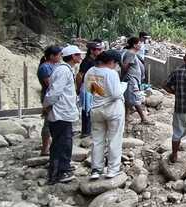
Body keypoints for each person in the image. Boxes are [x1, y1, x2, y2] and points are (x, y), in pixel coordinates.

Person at [43, 45, 85, 184]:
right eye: (78, 54)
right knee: (62, 143)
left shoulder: (65, 70)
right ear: (72, 56)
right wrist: (47, 106)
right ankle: (58, 173)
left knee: (64, 142)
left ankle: (63, 167)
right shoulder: (63, 71)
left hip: (63, 112)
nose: (80, 57)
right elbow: (54, 92)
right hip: (60, 113)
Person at [83, 50, 126, 179]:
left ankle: (96, 169)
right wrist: (123, 87)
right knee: (114, 139)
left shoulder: (90, 71)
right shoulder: (111, 73)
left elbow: (90, 89)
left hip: (96, 109)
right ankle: (113, 169)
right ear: (112, 61)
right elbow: (115, 94)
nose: (116, 66)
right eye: (116, 63)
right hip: (113, 110)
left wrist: (103, 94)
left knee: (97, 140)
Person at [121, 37, 153, 125]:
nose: (141, 45)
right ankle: (144, 118)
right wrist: (125, 77)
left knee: (129, 98)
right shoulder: (130, 54)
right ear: (135, 45)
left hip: (132, 79)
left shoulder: (131, 53)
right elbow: (125, 66)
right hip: (131, 79)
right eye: (139, 43)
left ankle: (126, 116)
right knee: (136, 99)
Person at [37, 45, 62, 156]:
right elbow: (50, 84)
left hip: (53, 95)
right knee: (48, 122)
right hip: (48, 96)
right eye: (59, 54)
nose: (60, 56)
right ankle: (45, 148)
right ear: (52, 56)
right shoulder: (45, 68)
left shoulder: (54, 66)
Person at [76, 40, 104, 138]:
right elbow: (80, 75)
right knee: (86, 109)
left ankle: (92, 129)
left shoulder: (96, 61)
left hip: (95, 85)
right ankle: (86, 131)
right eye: (98, 49)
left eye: (101, 49)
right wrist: (78, 89)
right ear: (92, 50)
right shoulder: (87, 61)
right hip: (88, 85)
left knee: (94, 107)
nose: (100, 51)